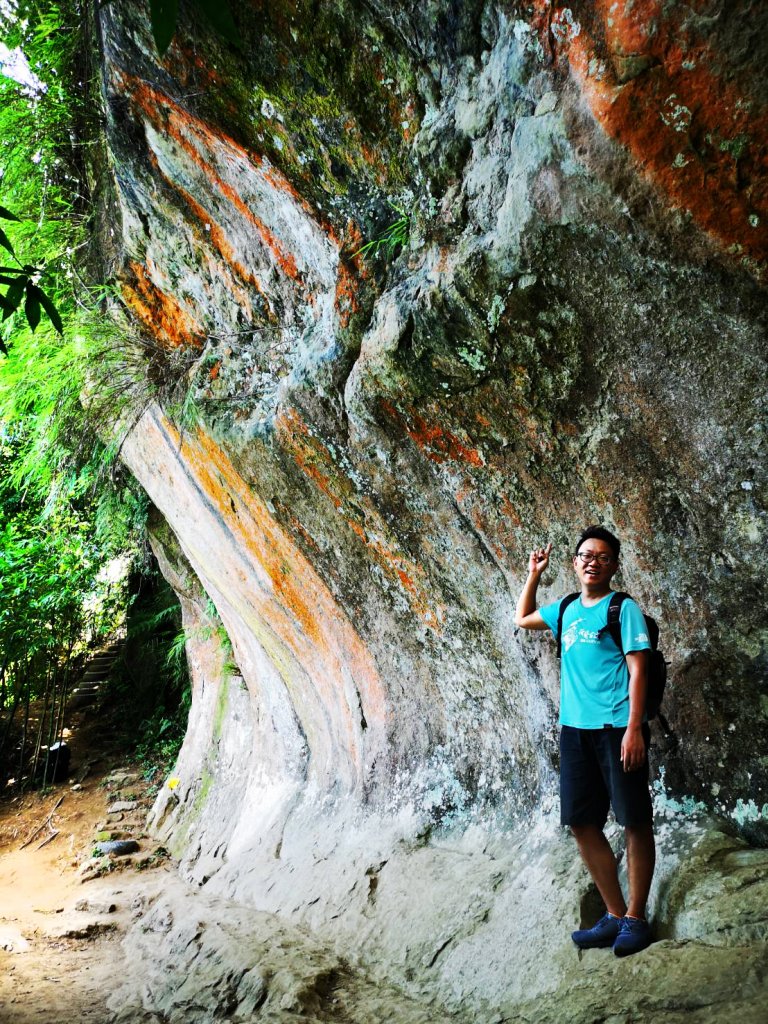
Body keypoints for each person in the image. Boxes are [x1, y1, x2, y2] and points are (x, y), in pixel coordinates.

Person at [514, 525, 655, 957]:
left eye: (602, 556)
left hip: (616, 727)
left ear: (614, 565)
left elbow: (639, 670)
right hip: (575, 730)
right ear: (575, 563)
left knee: (633, 820)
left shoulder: (621, 608)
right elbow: (522, 619)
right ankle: (613, 914)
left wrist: (634, 729)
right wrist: (534, 574)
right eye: (584, 555)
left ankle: (635, 917)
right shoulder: (567, 608)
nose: (592, 561)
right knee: (581, 821)